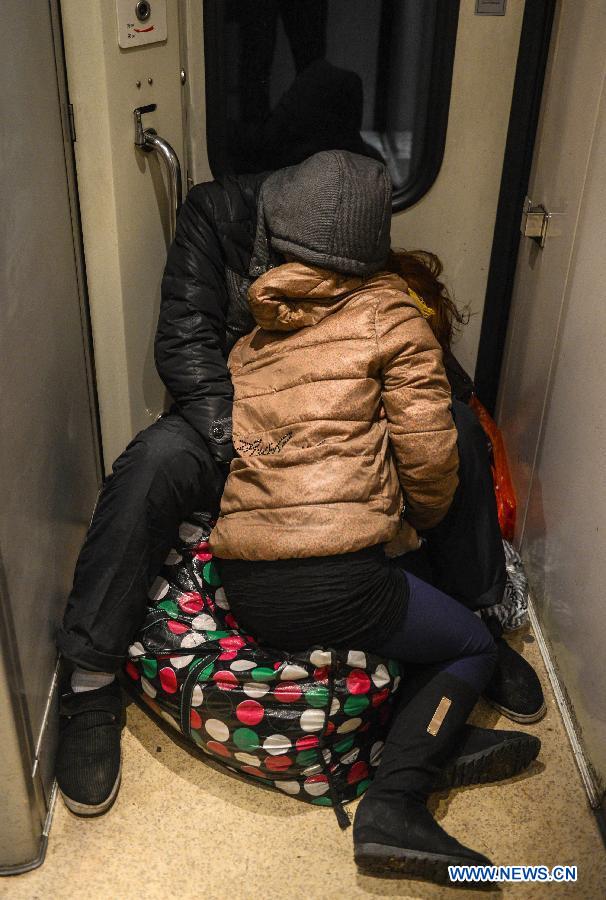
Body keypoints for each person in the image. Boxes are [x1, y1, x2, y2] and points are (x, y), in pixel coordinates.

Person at [54, 146, 542, 820]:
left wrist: (439, 397)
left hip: (323, 407)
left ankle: (476, 604)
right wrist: (254, 450)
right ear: (273, 239)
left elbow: (386, 329)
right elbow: (185, 345)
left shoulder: (355, 226)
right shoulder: (214, 213)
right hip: (222, 411)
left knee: (451, 427)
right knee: (152, 463)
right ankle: (90, 679)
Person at [208, 150, 539, 882]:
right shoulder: (389, 313)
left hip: (245, 578)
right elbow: (429, 457)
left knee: (400, 621)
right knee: (467, 648)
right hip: (332, 578)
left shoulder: (252, 337)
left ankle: (424, 738)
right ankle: (396, 803)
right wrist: (412, 529)